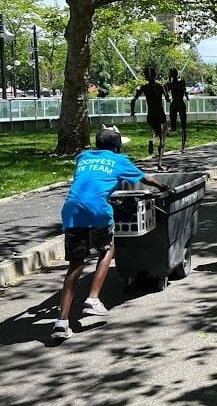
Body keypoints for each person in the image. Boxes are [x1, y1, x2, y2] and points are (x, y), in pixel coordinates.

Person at [52, 126, 167, 340]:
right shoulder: (119, 160)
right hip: (97, 210)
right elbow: (147, 179)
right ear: (117, 146)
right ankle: (93, 298)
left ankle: (61, 322)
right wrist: (163, 188)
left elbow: (91, 179)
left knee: (76, 264)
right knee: (107, 247)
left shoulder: (82, 157)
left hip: (71, 210)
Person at [130, 66, 169, 169]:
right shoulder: (160, 86)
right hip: (160, 113)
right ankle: (160, 163)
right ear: (155, 75)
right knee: (162, 138)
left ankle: (152, 139)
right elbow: (168, 99)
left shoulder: (143, 87)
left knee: (157, 132)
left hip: (150, 115)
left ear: (146, 76)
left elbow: (133, 100)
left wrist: (132, 111)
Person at [166, 68, 189, 152]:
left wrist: (168, 99)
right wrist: (186, 96)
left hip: (174, 104)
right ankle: (183, 147)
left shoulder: (170, 84)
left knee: (173, 126)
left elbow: (166, 93)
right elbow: (184, 91)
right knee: (183, 127)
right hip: (181, 104)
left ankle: (164, 135)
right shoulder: (181, 82)